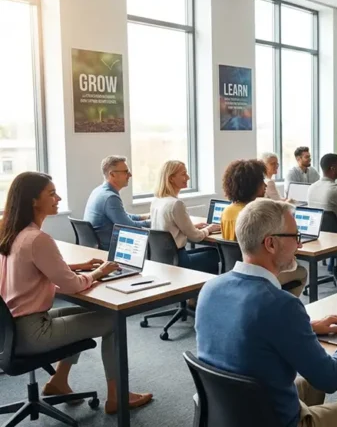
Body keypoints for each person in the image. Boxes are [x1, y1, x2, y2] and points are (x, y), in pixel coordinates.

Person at [195, 198, 337, 427]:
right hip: (274, 421)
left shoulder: (210, 289)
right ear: (270, 244)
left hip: (230, 411)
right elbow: (330, 378)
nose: (299, 245)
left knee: (309, 385)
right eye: (295, 237)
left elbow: (249, 331)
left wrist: (308, 327)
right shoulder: (281, 305)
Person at [0, 172, 152, 414]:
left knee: (82, 313)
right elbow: (72, 286)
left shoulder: (12, 233)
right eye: (52, 194)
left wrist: (77, 266)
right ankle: (117, 397)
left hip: (11, 328)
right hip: (33, 332)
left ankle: (58, 381)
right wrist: (98, 273)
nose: (58, 198)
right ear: (33, 201)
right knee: (113, 321)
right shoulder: (38, 239)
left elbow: (33, 267)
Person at [219, 158, 308, 297]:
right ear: (252, 185)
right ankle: (281, 302)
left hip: (235, 271)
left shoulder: (226, 212)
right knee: (301, 271)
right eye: (262, 181)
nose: (265, 185)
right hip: (259, 273)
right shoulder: (255, 216)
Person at [150, 161, 220, 274]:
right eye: (183, 174)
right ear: (171, 178)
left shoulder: (156, 201)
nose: (188, 177)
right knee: (214, 253)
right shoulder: (176, 204)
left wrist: (192, 226)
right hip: (179, 261)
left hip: (163, 260)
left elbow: (168, 228)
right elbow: (196, 237)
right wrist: (209, 229)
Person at [83, 155, 151, 250]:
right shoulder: (110, 197)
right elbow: (129, 227)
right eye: (126, 172)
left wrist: (144, 217)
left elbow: (122, 216)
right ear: (112, 174)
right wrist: (154, 221)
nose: (130, 175)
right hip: (110, 250)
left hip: (97, 248)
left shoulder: (98, 191)